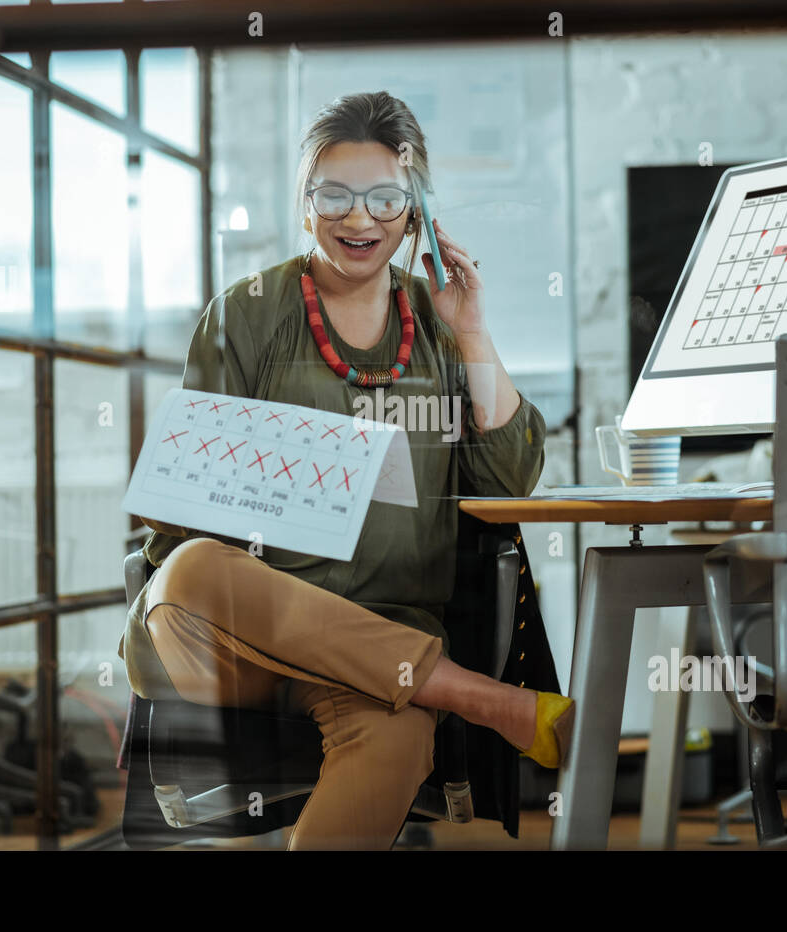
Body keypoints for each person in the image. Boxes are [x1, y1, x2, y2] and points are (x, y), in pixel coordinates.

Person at [117, 91, 574, 850]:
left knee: (394, 742)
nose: (359, 219)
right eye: (333, 195)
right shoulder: (247, 313)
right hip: (231, 643)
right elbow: (179, 506)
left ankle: (446, 692)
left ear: (418, 211)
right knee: (192, 570)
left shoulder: (438, 319)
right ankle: (486, 700)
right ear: (304, 205)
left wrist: (473, 334)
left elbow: (505, 487)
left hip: (387, 654)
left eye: (385, 197)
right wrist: (260, 484)